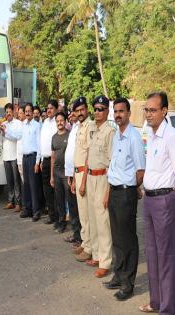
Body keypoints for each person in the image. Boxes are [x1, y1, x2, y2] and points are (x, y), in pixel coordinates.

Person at [105, 97, 145, 301]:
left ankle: (128, 284)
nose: (118, 115)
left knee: (128, 240)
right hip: (114, 191)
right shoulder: (116, 136)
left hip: (126, 193)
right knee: (117, 238)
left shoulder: (134, 137)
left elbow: (140, 171)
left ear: (129, 113)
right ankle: (118, 276)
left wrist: (131, 188)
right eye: (116, 111)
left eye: (122, 111)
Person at [139, 92, 175, 314]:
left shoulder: (171, 136)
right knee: (151, 253)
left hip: (164, 201)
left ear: (164, 111)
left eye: (153, 110)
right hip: (149, 200)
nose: (148, 114)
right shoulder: (151, 134)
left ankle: (168, 307)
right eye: (146, 109)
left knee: (166, 255)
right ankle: (155, 301)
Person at [85, 96, 115, 278]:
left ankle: (105, 261)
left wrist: (108, 191)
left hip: (103, 178)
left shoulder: (110, 132)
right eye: (95, 109)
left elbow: (112, 163)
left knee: (103, 222)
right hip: (90, 177)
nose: (97, 112)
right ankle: (96, 254)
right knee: (93, 219)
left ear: (107, 111)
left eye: (101, 109)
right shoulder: (94, 130)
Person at [71, 97, 93, 263]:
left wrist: (84, 180)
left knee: (87, 214)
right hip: (77, 173)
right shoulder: (79, 127)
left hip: (86, 174)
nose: (80, 113)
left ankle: (90, 248)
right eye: (77, 110)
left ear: (87, 110)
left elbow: (89, 156)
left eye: (82, 110)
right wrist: (74, 179)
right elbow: (77, 155)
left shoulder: (90, 127)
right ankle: (85, 243)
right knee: (82, 213)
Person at [16, 103, 42, 221]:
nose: (27, 113)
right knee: (26, 185)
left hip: (33, 157)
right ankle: (28, 209)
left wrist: (37, 162)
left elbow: (39, 145)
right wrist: (5, 130)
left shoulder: (37, 126)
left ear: (32, 112)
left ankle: (36, 211)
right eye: (25, 111)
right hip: (24, 158)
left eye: (29, 111)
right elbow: (16, 135)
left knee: (33, 185)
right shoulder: (23, 125)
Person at [63, 100, 82, 246]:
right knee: (73, 208)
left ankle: (81, 238)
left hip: (78, 174)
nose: (72, 114)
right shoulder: (74, 128)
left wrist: (74, 176)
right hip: (70, 173)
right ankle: (76, 235)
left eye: (75, 112)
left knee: (79, 208)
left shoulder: (83, 128)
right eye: (71, 112)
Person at [0, 103, 22, 212]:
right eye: (6, 112)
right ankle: (10, 201)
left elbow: (16, 137)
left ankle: (18, 203)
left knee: (16, 180)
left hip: (14, 156)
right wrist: (0, 131)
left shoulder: (18, 123)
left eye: (9, 111)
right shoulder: (3, 124)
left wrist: (6, 131)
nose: (8, 114)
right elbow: (0, 140)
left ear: (13, 112)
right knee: (9, 181)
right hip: (6, 156)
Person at [50, 111, 69, 233]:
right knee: (59, 199)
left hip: (67, 173)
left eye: (61, 120)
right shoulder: (54, 137)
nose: (59, 123)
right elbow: (52, 157)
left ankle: (74, 224)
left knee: (70, 200)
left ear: (65, 121)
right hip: (56, 173)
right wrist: (51, 176)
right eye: (57, 121)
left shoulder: (70, 135)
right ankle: (61, 222)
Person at [40, 100, 58, 226]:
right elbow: (42, 141)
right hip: (45, 160)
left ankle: (58, 217)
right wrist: (41, 160)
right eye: (47, 108)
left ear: (56, 109)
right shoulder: (45, 122)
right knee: (47, 190)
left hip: (55, 161)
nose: (49, 110)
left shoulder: (59, 121)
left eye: (51, 108)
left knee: (56, 190)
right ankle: (52, 216)